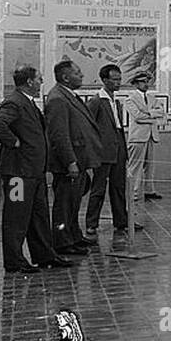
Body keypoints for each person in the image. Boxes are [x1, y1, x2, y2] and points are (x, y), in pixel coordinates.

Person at [0, 66, 69, 273]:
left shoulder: (27, 102)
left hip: (34, 172)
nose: (42, 82)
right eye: (39, 79)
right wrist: (13, 142)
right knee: (16, 218)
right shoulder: (15, 102)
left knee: (39, 217)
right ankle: (14, 261)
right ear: (30, 82)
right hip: (18, 175)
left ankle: (45, 256)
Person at [43, 60, 104, 257]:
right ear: (66, 77)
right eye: (77, 73)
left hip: (79, 160)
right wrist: (70, 161)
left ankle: (74, 236)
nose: (82, 76)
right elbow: (59, 135)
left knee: (73, 203)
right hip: (69, 163)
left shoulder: (69, 96)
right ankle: (61, 241)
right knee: (64, 205)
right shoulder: (57, 99)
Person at [85, 64, 136, 237]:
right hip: (103, 152)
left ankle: (121, 221)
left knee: (118, 188)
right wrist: (93, 151)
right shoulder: (97, 101)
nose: (118, 82)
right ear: (105, 80)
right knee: (98, 188)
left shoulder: (115, 100)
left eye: (119, 79)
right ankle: (91, 223)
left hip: (118, 150)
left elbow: (119, 127)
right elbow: (89, 127)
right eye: (114, 79)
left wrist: (125, 152)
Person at [124, 72, 163, 202]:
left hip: (151, 135)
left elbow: (161, 112)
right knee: (135, 166)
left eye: (147, 81)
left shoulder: (152, 98)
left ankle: (149, 190)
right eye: (142, 82)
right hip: (138, 137)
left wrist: (147, 113)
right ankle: (133, 193)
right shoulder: (130, 98)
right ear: (136, 83)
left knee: (150, 165)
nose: (146, 84)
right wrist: (152, 116)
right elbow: (138, 117)